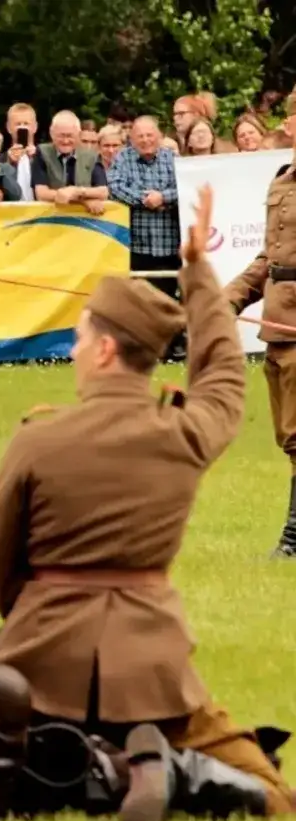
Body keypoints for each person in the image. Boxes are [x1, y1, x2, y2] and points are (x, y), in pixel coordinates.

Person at [0, 185, 293, 821]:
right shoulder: (182, 433)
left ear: (102, 349)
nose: (72, 351)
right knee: (274, 796)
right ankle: (168, 768)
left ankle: (87, 767)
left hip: (37, 664)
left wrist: (35, 616)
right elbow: (223, 373)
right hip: (154, 674)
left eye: (77, 338)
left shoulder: (39, 438)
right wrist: (198, 276)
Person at [224, 94, 296, 558]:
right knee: (290, 435)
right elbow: (270, 259)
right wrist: (226, 298)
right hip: (279, 321)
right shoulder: (282, 181)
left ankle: (294, 538)